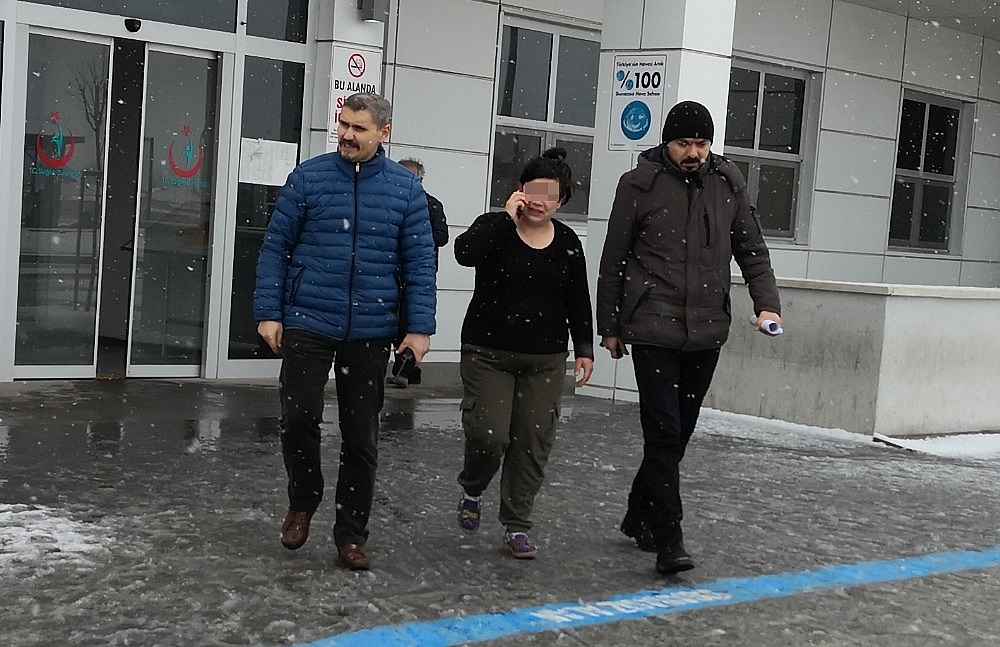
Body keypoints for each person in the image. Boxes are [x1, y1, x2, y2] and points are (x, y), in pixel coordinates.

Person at [596, 101, 782, 575]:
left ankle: (638, 512)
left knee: (678, 435)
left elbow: (752, 249)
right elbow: (614, 259)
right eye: (684, 144)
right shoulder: (638, 184)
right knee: (663, 432)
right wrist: (610, 326)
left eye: (701, 143)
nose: (694, 153)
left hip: (706, 329)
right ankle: (669, 538)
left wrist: (767, 304)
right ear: (667, 143)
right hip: (653, 326)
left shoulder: (727, 182)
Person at [254, 93, 437, 571]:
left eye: (359, 128)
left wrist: (418, 329)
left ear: (383, 133)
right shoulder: (309, 178)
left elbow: (420, 264)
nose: (347, 135)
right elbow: (275, 247)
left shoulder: (405, 190)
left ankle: (351, 534)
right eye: (343, 125)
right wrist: (269, 312)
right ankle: (303, 498)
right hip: (308, 320)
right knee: (298, 419)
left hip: (372, 327)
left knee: (361, 437)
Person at [453, 148, 595, 559]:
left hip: (545, 359)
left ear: (561, 201)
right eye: (533, 191)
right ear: (519, 190)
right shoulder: (494, 226)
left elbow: (577, 299)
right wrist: (504, 219)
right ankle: (473, 487)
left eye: (550, 195)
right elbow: (464, 254)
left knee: (533, 441)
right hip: (487, 352)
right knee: (489, 436)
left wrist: (584, 348)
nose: (539, 201)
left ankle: (517, 524)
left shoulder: (567, 242)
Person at [388, 158, 449, 388]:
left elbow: (442, 236)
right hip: (392, 272)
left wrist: (416, 238)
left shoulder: (431, 204)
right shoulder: (389, 202)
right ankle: (405, 370)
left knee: (410, 321)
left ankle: (406, 369)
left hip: (417, 273)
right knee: (393, 322)